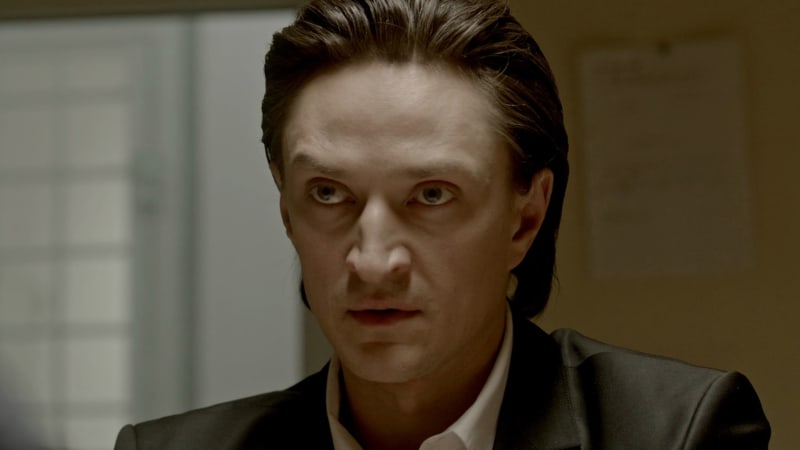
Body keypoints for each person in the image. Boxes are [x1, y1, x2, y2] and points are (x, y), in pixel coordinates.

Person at [115, 0, 771, 448]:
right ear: (286, 209)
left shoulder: (679, 431)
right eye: (328, 193)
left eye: (431, 195)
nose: (373, 262)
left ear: (526, 218)